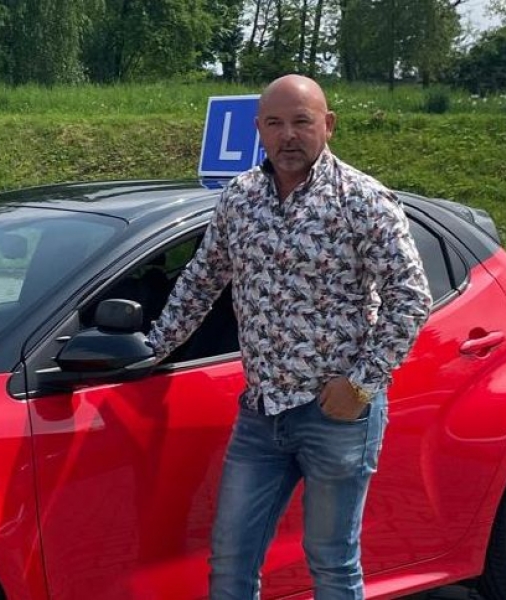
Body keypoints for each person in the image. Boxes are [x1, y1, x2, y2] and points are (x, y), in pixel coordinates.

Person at [147, 74, 432, 600]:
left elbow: (410, 298)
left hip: (336, 416)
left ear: (328, 124)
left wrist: (361, 385)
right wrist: (152, 348)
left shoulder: (362, 200)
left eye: (302, 121)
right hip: (260, 413)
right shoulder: (240, 199)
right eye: (275, 124)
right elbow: (202, 281)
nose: (288, 135)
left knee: (332, 562)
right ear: (258, 129)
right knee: (230, 561)